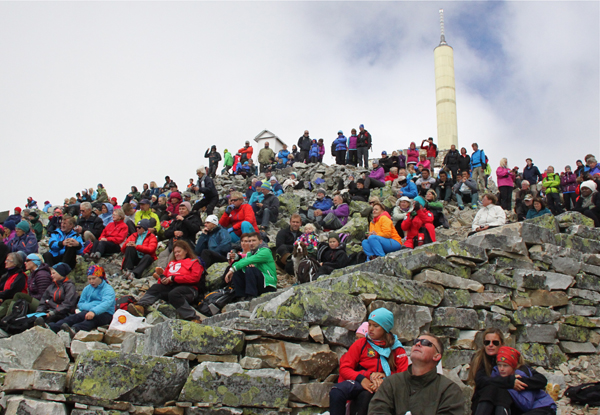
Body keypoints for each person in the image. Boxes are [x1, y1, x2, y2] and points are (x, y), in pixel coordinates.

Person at [329, 308, 409, 415]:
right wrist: (364, 378)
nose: (370, 329)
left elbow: (403, 374)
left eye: (376, 326)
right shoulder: (361, 344)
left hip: (385, 385)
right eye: (370, 325)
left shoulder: (397, 349)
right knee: (337, 392)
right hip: (361, 380)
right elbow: (345, 368)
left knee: (366, 396)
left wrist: (384, 380)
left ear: (386, 328)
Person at [369, 331, 463, 415]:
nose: (418, 344)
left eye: (425, 343)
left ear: (436, 356)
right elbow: (377, 411)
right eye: (415, 342)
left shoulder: (449, 390)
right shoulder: (391, 383)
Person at [129, 240, 204, 321]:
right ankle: (140, 306)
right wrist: (163, 280)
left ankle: (192, 317)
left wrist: (173, 278)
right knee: (156, 287)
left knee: (174, 293)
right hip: (172, 287)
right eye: (175, 252)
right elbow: (164, 277)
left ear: (186, 251)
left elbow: (195, 278)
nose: (177, 254)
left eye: (179, 251)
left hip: (189, 289)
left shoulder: (194, 262)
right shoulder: (171, 263)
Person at [49, 265, 115, 336]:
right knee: (74, 317)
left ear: (100, 277)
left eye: (94, 278)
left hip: (105, 313)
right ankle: (54, 327)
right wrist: (92, 307)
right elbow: (80, 303)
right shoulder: (87, 288)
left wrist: (93, 311)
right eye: (89, 279)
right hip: (87, 311)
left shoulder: (108, 289)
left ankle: (74, 329)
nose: (91, 281)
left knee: (91, 320)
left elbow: (106, 303)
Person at [224, 232, 277, 301]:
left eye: (254, 240)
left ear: (260, 241)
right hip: (259, 283)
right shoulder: (250, 253)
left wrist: (232, 269)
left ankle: (251, 296)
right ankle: (240, 296)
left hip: (268, 285)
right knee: (238, 271)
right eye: (249, 241)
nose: (251, 243)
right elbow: (240, 262)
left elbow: (249, 260)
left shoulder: (265, 251)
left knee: (250, 269)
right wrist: (232, 269)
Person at [34, 262, 77, 327]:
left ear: (61, 274)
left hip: (62, 313)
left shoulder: (69, 286)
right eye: (51, 273)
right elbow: (43, 301)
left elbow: (67, 304)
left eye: (54, 273)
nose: (51, 275)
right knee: (31, 319)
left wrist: (52, 313)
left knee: (50, 320)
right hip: (49, 311)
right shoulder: (51, 286)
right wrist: (40, 312)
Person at [0, 252, 28, 317]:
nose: (5, 262)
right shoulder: (6, 275)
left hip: (15, 302)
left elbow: (12, 292)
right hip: (4, 299)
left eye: (8, 260)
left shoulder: (20, 276)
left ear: (15, 263)